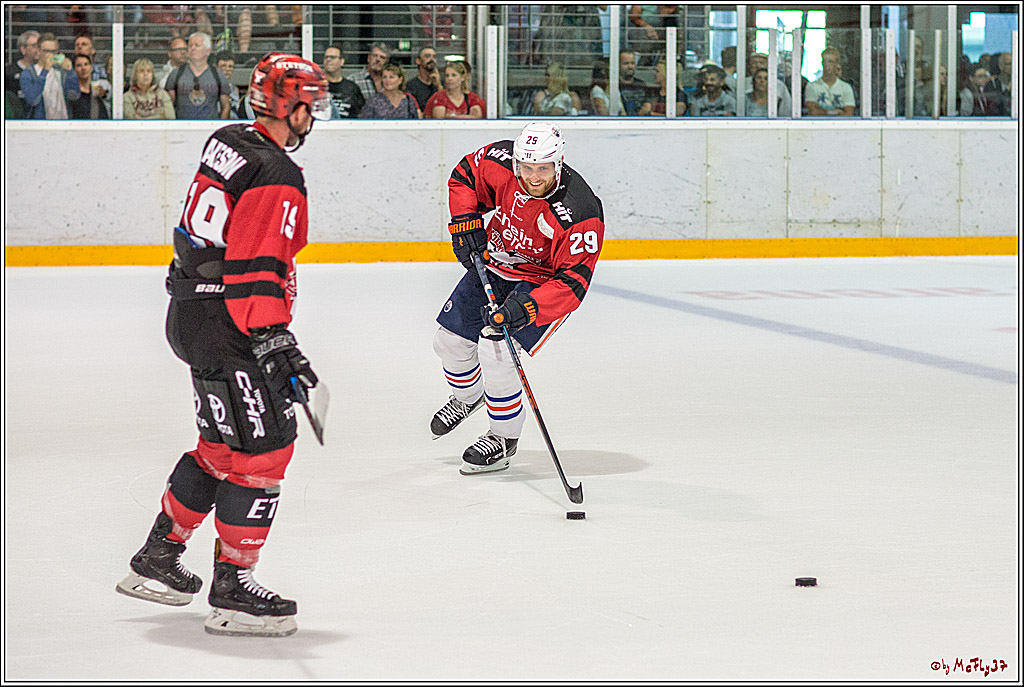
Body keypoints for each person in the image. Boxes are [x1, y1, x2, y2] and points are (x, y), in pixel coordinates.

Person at [115, 52, 331, 639]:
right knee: (263, 452)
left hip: (191, 312)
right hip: (232, 324)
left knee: (220, 446)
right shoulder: (277, 173)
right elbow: (255, 266)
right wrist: (272, 338)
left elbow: (210, 241)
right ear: (290, 105)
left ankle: (159, 556)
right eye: (312, 102)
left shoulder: (228, 139)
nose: (317, 114)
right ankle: (233, 587)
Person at [431, 122, 605, 473]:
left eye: (543, 169)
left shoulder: (580, 211)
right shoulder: (501, 160)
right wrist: (465, 222)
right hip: (497, 261)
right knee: (448, 342)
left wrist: (527, 308)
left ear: (558, 164)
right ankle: (469, 397)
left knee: (496, 352)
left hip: (542, 284)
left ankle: (503, 438)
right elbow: (465, 174)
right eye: (526, 168)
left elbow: (572, 284)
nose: (533, 177)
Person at [166, 32, 232, 119]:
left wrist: (220, 129)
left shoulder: (218, 75)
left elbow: (226, 107)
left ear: (208, 51)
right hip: (183, 128)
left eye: (197, 45)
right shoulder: (176, 74)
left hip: (210, 127)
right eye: (190, 46)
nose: (192, 48)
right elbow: (168, 106)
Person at [20, 32, 69, 119]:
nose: (50, 55)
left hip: (63, 123)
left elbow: (74, 95)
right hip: (41, 125)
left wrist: (71, 71)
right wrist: (45, 71)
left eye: (53, 51)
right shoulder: (28, 73)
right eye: (46, 51)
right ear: (38, 51)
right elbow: (33, 100)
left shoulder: (62, 72)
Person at [805, 46, 855, 116]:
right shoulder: (812, 86)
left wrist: (822, 112)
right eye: (825, 61)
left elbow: (849, 113)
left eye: (830, 61)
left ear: (837, 64)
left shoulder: (845, 87)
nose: (827, 65)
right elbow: (813, 111)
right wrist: (836, 112)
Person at [321, 44, 364, 118]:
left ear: (342, 61)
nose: (328, 60)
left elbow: (361, 115)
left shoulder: (352, 88)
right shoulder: (317, 87)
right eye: (326, 57)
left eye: (332, 57)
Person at [5, 30, 40, 119]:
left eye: (40, 46)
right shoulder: (9, 72)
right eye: (34, 46)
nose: (38, 49)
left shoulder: (45, 71)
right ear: (23, 49)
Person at [66, 53, 109, 119]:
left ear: (91, 67)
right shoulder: (72, 94)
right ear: (74, 69)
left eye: (86, 64)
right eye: (79, 65)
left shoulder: (96, 94)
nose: (83, 68)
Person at [407, 45, 440, 112]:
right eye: (427, 56)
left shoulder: (441, 83)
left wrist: (439, 86)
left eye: (434, 57)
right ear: (418, 61)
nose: (432, 59)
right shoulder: (410, 86)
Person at [618, 50, 651, 115]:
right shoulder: (615, 85)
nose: (630, 66)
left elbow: (647, 106)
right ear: (618, 65)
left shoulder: (641, 84)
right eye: (626, 63)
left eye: (632, 63)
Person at [983, 51, 1012, 116]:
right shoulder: (991, 85)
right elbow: (994, 109)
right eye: (1009, 64)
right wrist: (1007, 90)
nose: (1013, 67)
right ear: (1001, 66)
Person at [215, 51, 241, 118]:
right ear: (216, 67)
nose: (227, 69)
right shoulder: (210, 87)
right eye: (223, 66)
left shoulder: (235, 89)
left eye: (230, 66)